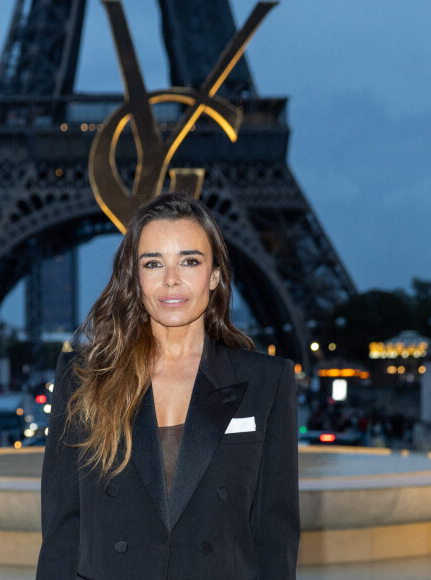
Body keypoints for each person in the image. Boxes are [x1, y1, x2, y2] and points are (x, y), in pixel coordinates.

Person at [36, 192, 300, 579]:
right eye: (153, 263)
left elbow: (274, 533)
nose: (171, 279)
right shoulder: (83, 377)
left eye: (189, 261)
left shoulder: (267, 381)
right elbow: (62, 530)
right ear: (135, 277)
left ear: (215, 275)